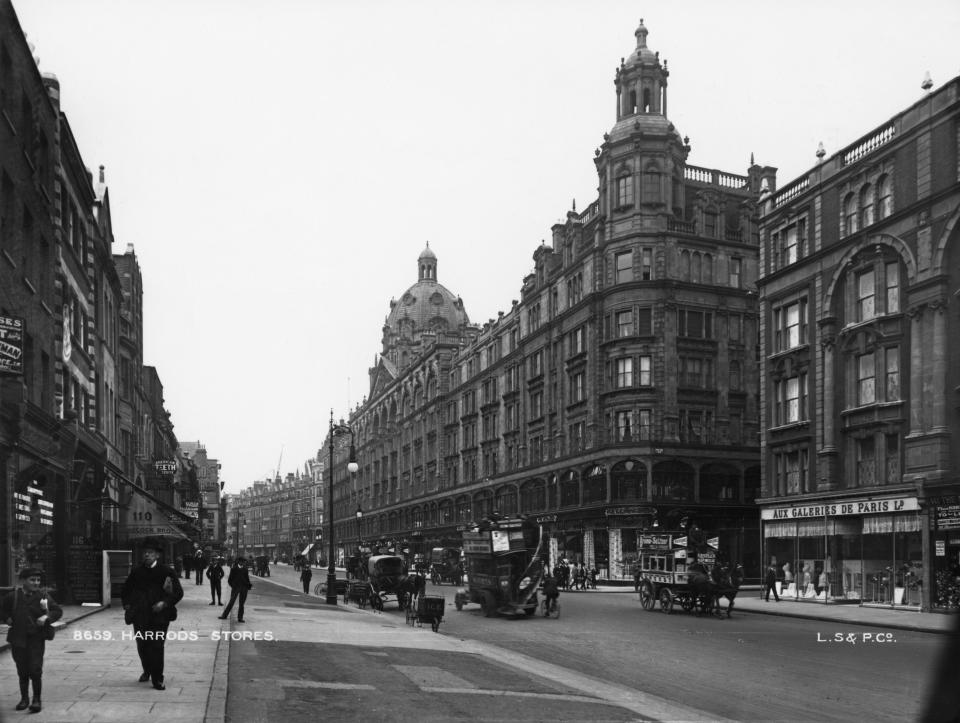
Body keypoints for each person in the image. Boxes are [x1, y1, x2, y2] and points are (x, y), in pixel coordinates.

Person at [121, 538, 184, 691]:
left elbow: (178, 593)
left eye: (150, 553)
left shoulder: (166, 571)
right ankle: (147, 670)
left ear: (157, 556)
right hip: (140, 616)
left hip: (159, 616)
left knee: (157, 646)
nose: (146, 555)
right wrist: (128, 605)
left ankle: (158, 678)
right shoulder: (136, 572)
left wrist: (164, 603)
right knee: (142, 645)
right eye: (145, 553)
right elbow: (126, 591)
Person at [1, 567, 63, 712]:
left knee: (35, 669)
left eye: (38, 580)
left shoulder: (43, 596)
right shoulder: (13, 596)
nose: (36, 583)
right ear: (23, 581)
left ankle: (36, 699)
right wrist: (7, 618)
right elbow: (3, 610)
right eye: (32, 580)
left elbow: (57, 611)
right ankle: (24, 699)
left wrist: (46, 616)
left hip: (36, 638)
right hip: (18, 639)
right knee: (22, 669)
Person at [219, 557, 253, 623]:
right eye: (242, 561)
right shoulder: (234, 569)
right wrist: (233, 586)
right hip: (236, 587)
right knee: (231, 602)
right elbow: (229, 580)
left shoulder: (245, 569)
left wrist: (248, 586)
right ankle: (224, 615)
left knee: (241, 604)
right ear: (238, 562)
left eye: (244, 562)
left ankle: (240, 618)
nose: (243, 563)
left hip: (244, 588)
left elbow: (247, 579)